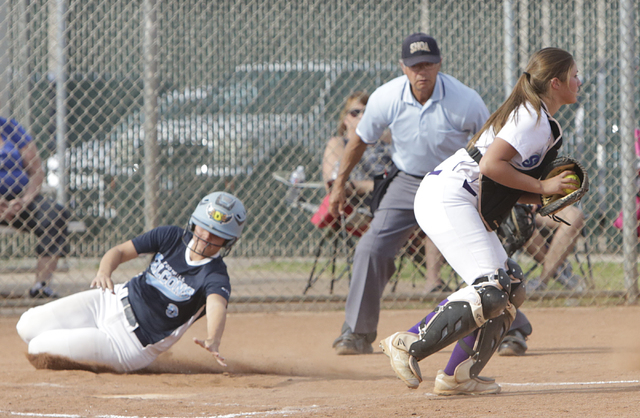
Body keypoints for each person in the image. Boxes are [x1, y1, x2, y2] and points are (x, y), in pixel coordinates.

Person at [379, 47, 582, 395]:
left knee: (511, 285)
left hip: (463, 196)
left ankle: (458, 376)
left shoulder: (543, 121)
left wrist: (544, 196)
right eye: (574, 74)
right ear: (555, 82)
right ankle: (409, 342)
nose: (579, 81)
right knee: (490, 286)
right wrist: (541, 185)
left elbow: (501, 182)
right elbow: (490, 167)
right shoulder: (532, 118)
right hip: (447, 195)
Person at [329, 33, 489, 355]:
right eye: (415, 65)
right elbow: (359, 141)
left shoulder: (465, 99)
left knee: (479, 255)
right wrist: (338, 185)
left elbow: (490, 147)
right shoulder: (386, 97)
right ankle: (357, 333)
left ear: (439, 64)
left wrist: (489, 197)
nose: (422, 72)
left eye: (428, 64)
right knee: (371, 247)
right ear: (403, 67)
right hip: (407, 181)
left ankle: (512, 327)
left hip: (451, 182)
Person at [16, 191, 246, 373]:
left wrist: (213, 339)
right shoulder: (171, 236)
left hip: (127, 344)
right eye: (204, 226)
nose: (205, 236)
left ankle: (92, 354)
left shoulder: (215, 275)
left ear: (228, 241)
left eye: (216, 234)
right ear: (194, 222)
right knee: (25, 326)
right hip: (109, 301)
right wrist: (104, 272)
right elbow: (119, 251)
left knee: (37, 347)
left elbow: (216, 305)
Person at [498, 204, 586, 356]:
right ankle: (559, 270)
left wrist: (537, 200)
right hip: (506, 205)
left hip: (542, 204)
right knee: (518, 218)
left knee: (574, 216)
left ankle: (543, 279)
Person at [0, 116, 70, 298]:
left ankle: (41, 285)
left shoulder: (10, 128)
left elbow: (36, 170)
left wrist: (24, 200)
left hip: (19, 201)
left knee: (55, 215)